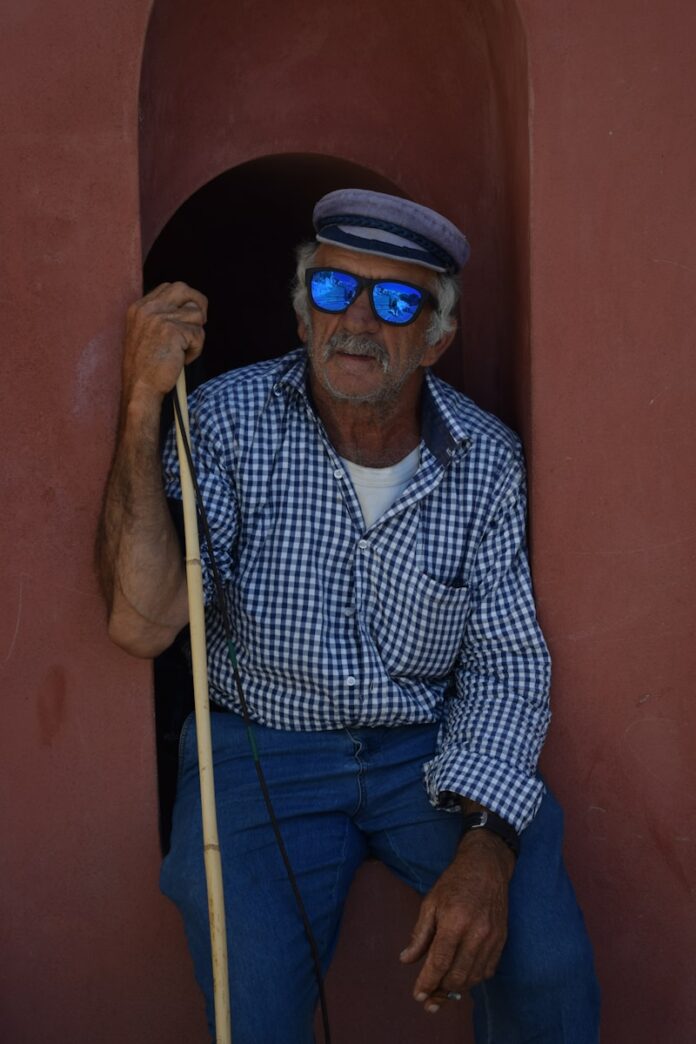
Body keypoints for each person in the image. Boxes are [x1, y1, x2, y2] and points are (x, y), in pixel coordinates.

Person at [97, 189, 600, 1043]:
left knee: (545, 965)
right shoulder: (223, 422)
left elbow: (506, 663)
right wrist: (144, 401)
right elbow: (142, 623)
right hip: (262, 756)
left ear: (437, 338)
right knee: (250, 1006)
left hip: (425, 753)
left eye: (396, 300)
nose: (357, 319)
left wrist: (488, 841)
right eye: (333, 292)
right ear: (303, 317)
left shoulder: (486, 461)